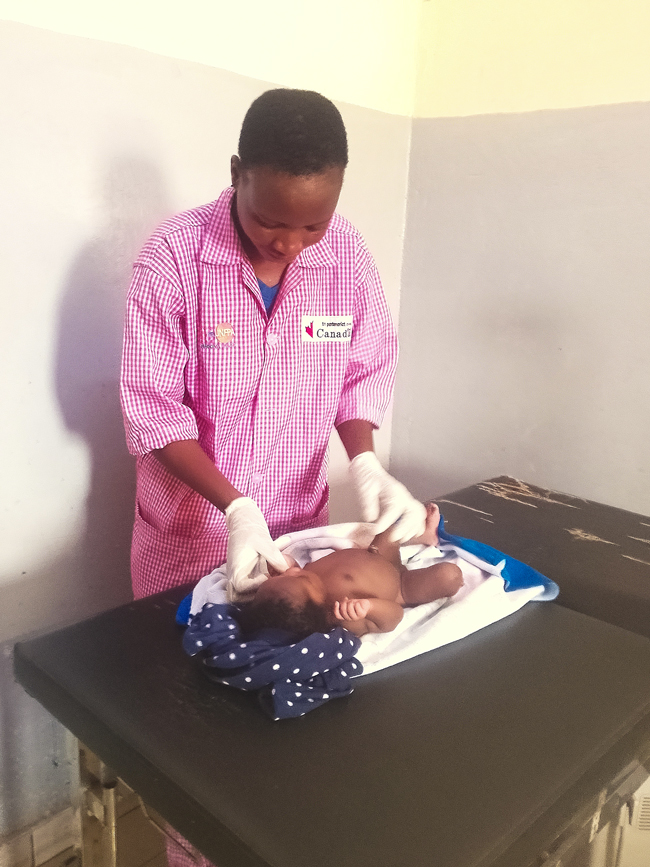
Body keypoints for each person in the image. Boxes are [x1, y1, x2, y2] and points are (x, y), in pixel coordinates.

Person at [120, 87, 425, 604]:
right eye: (270, 221)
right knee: (176, 668)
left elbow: (360, 373)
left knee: (285, 654)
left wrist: (366, 464)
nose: (289, 244)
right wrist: (237, 510)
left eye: (313, 224)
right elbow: (155, 411)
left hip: (296, 530)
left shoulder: (346, 256)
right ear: (237, 173)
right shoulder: (174, 258)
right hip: (192, 531)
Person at [238, 503, 464, 638]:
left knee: (394, 521)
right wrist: (369, 608)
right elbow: (393, 617)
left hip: (377, 552)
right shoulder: (344, 615)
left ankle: (426, 536)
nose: (293, 571)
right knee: (449, 576)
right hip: (401, 585)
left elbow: (291, 574)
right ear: (318, 607)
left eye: (281, 577)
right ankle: (430, 548)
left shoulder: (303, 582)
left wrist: (284, 564)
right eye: (298, 576)